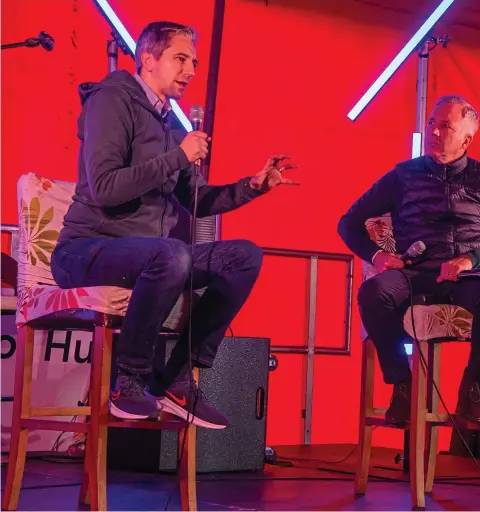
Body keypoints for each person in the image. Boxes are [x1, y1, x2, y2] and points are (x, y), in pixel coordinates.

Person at [51, 21, 297, 428]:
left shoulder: (170, 126)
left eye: (195, 62)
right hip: (87, 250)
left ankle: (178, 377)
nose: (191, 70)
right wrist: (178, 156)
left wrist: (253, 186)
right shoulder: (111, 101)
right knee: (170, 255)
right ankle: (128, 380)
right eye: (181, 59)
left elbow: (197, 202)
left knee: (242, 257)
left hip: (152, 257)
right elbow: (107, 187)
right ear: (148, 58)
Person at [338, 95, 480, 425]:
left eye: (445, 125)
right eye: (431, 124)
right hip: (415, 272)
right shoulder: (403, 175)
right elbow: (348, 223)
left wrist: (471, 260)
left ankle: (474, 384)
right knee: (373, 293)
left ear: (467, 138)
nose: (434, 131)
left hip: (467, 278)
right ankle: (402, 385)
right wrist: (378, 256)